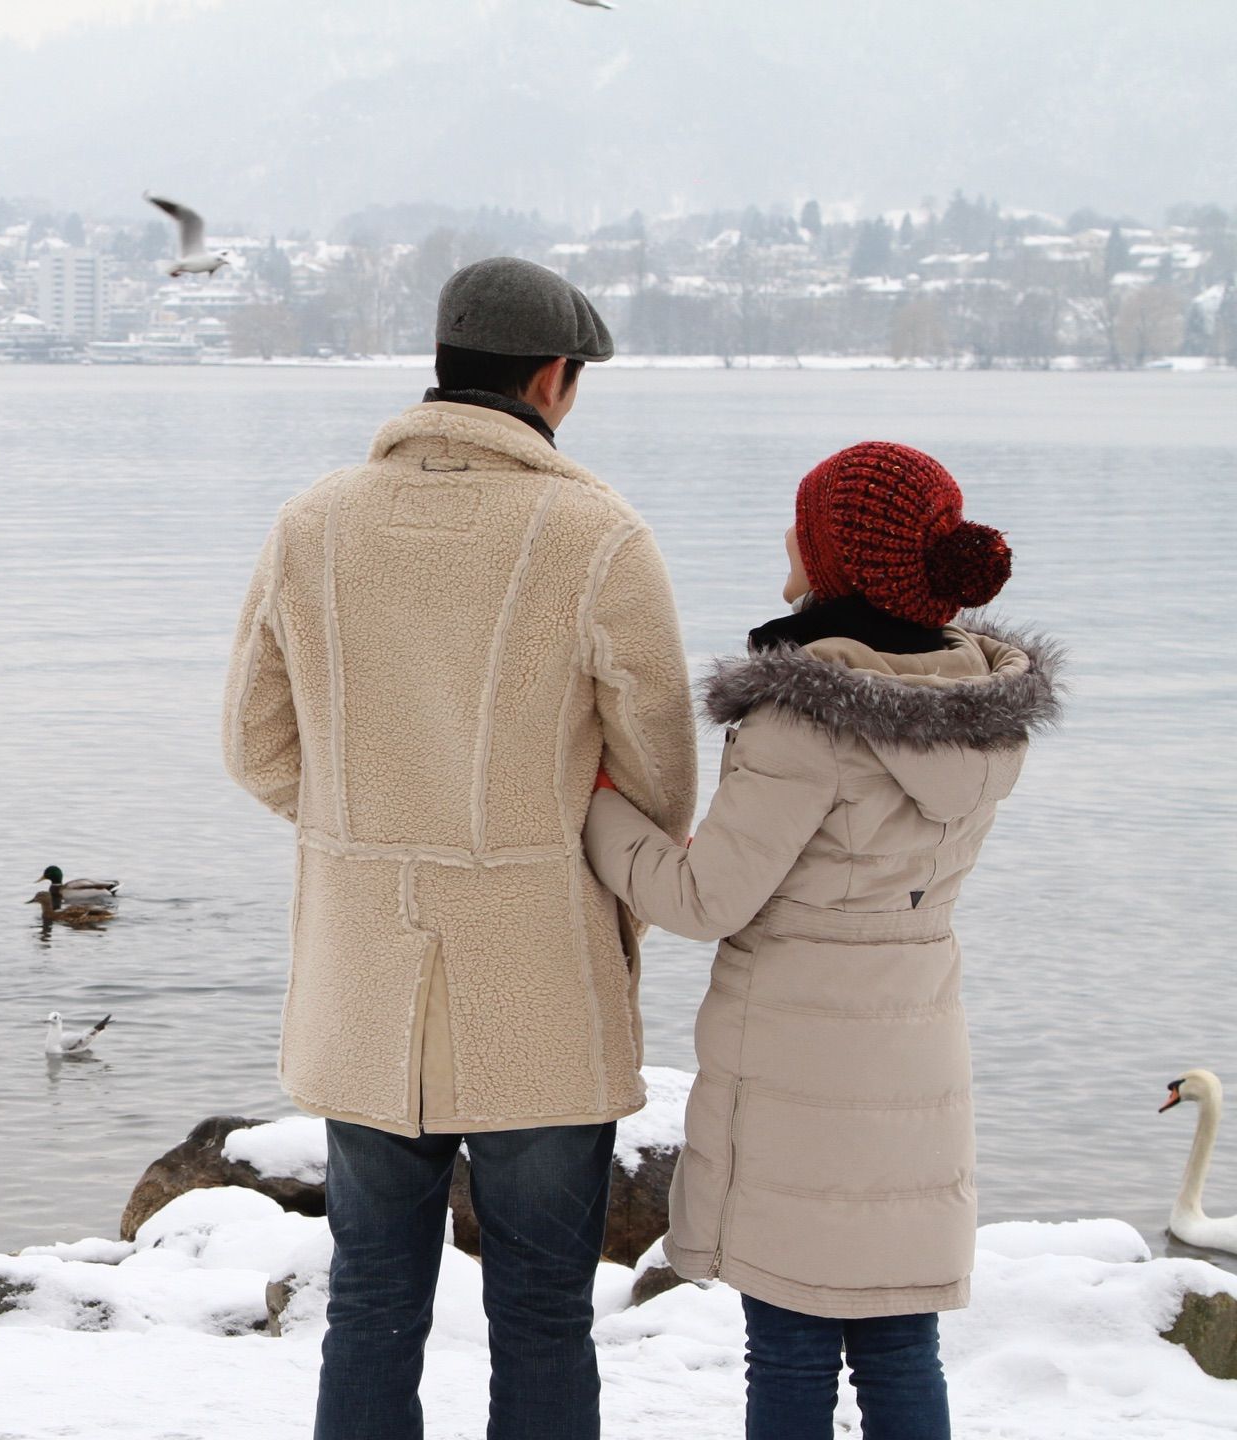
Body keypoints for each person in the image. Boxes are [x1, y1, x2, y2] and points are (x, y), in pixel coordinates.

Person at [222, 256, 699, 1440]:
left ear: (441, 367)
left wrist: (360, 831)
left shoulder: (313, 523)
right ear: (553, 379)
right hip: (538, 976)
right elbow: (661, 781)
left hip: (363, 977)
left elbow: (254, 745)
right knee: (543, 1310)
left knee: (373, 1303)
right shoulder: (596, 533)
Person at [582, 442, 1059, 1439]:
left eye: (799, 527)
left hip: (800, 1070)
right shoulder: (979, 714)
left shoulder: (807, 722)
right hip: (918, 1051)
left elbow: (708, 896)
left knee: (792, 1341)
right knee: (899, 1347)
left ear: (839, 559)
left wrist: (598, 811)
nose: (782, 544)